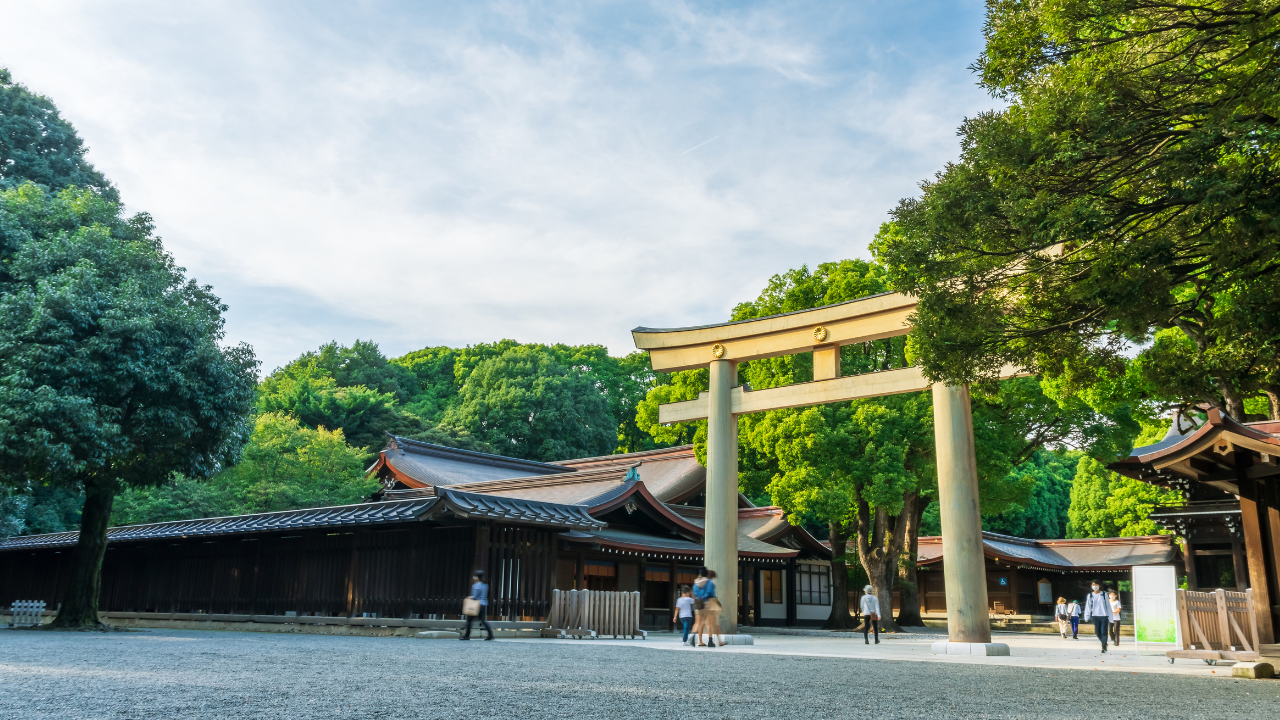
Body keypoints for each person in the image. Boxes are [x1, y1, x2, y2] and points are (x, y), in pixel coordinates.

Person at [461, 570, 494, 641]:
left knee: (469, 620)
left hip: (477, 605)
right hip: (483, 604)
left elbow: (474, 596)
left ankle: (467, 635)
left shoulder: (475, 586)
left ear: (477, 577)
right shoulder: (485, 585)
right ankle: (490, 635)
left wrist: (469, 597)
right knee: (483, 620)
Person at [1082, 581, 1110, 653]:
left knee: (1103, 631)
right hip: (1095, 615)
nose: (1095, 586)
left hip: (1104, 615)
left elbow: (1108, 605)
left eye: (1096, 584)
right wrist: (1087, 616)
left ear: (1099, 586)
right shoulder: (1090, 595)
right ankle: (1104, 642)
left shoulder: (1104, 594)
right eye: (1093, 584)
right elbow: (1088, 606)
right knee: (1097, 632)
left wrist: (1110, 616)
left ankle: (1104, 647)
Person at [697, 569, 722, 647]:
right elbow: (713, 595)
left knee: (701, 624)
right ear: (712, 576)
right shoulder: (710, 583)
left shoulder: (700, 582)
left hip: (700, 604)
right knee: (710, 623)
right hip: (709, 604)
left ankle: (700, 641)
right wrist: (719, 604)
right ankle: (710, 641)